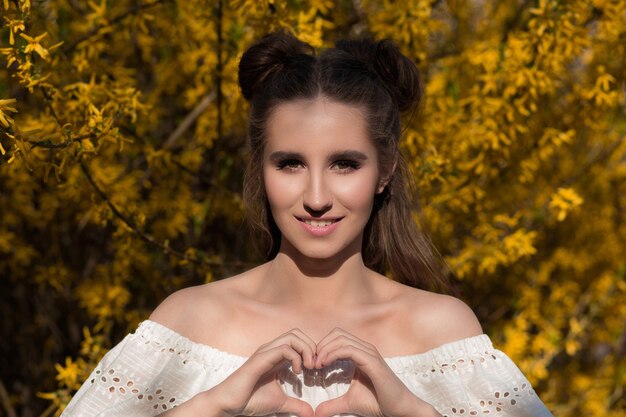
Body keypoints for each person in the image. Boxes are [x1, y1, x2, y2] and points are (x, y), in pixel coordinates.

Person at [61, 30, 554, 417]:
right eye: (290, 164)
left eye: (345, 164)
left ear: (385, 170)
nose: (316, 198)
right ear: (260, 168)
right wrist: (209, 406)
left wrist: (415, 413)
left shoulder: (441, 333)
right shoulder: (190, 323)